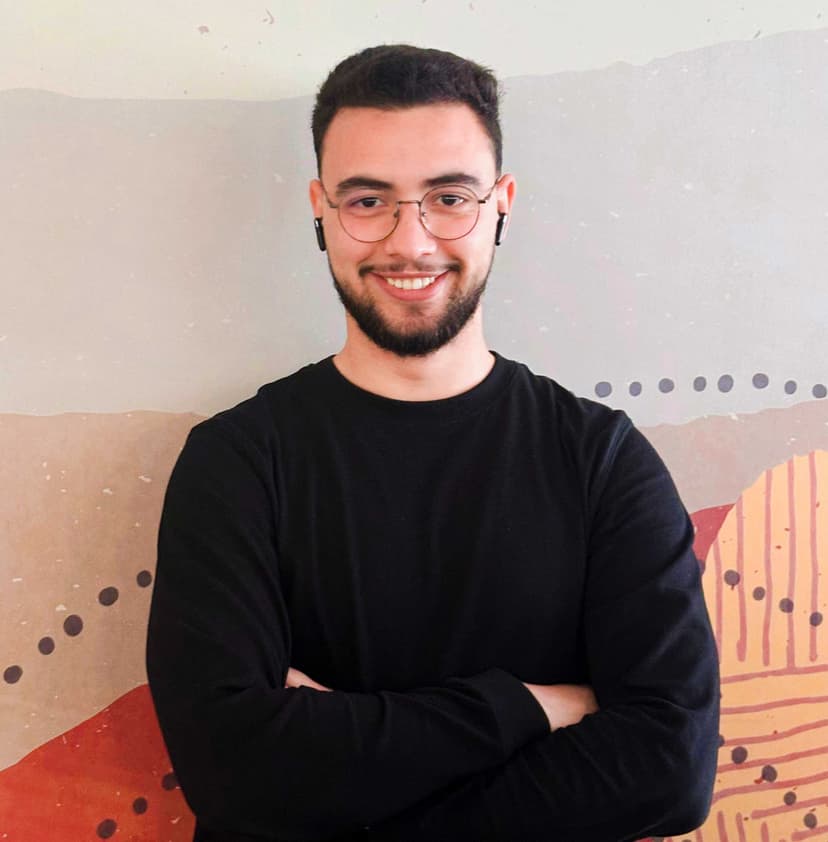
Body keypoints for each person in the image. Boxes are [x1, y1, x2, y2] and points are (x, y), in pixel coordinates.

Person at [146, 44, 720, 842]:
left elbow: (669, 770)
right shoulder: (236, 463)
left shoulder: (602, 461)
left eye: (449, 197)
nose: (410, 242)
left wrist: (338, 762)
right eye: (367, 200)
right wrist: (531, 707)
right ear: (321, 207)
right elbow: (231, 769)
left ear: (501, 204)